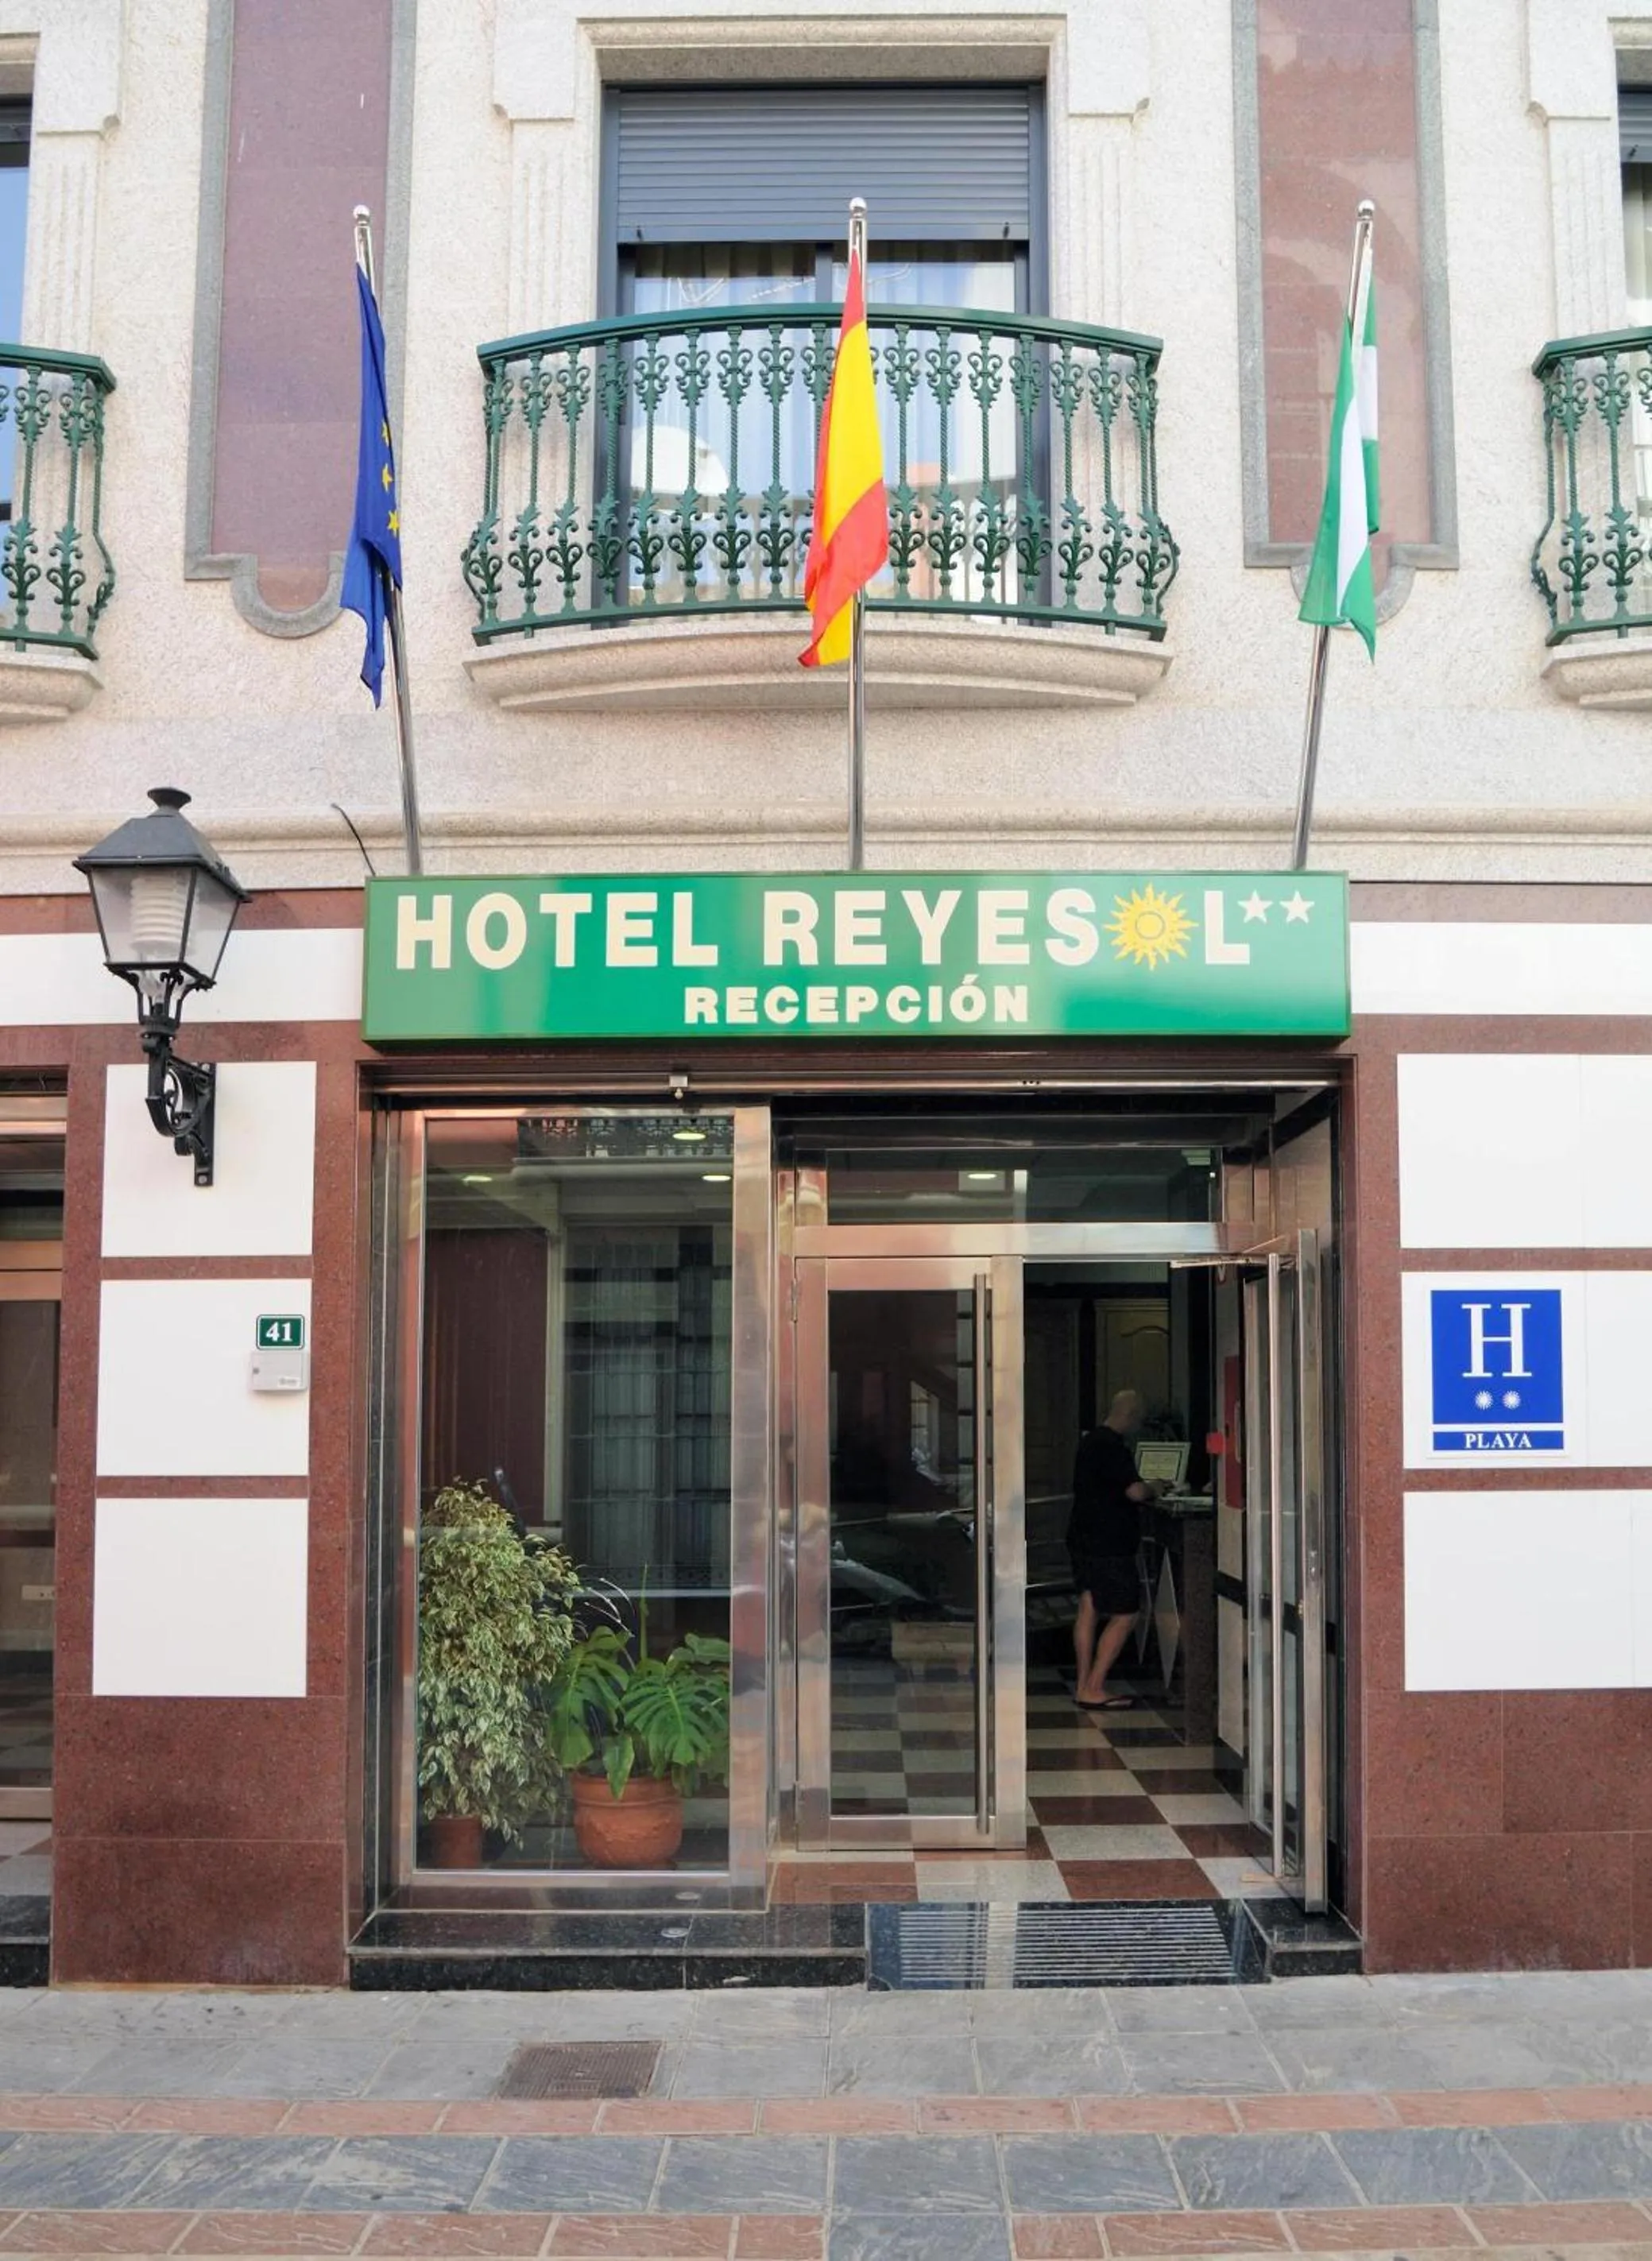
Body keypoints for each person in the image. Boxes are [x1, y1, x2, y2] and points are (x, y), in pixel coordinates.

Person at [1067, 1388, 1164, 1710]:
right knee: (1126, 1613)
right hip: (1110, 1542)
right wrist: (1157, 1486)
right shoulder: (1113, 1447)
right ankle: (1095, 1686)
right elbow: (1135, 1492)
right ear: (1131, 1415)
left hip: (1082, 1537)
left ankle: (1083, 1684)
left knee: (1089, 1606)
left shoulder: (1089, 1441)